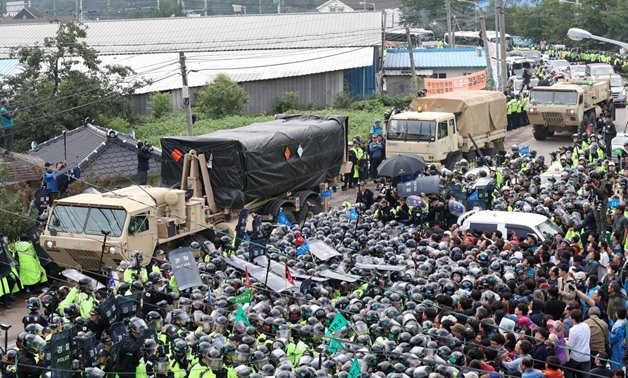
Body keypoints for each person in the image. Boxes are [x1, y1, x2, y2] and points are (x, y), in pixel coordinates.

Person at [565, 309, 590, 378]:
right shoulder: (586, 325)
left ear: (572, 319)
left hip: (576, 357)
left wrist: (565, 341)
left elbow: (570, 345)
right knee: (586, 375)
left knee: (568, 370)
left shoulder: (573, 330)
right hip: (586, 355)